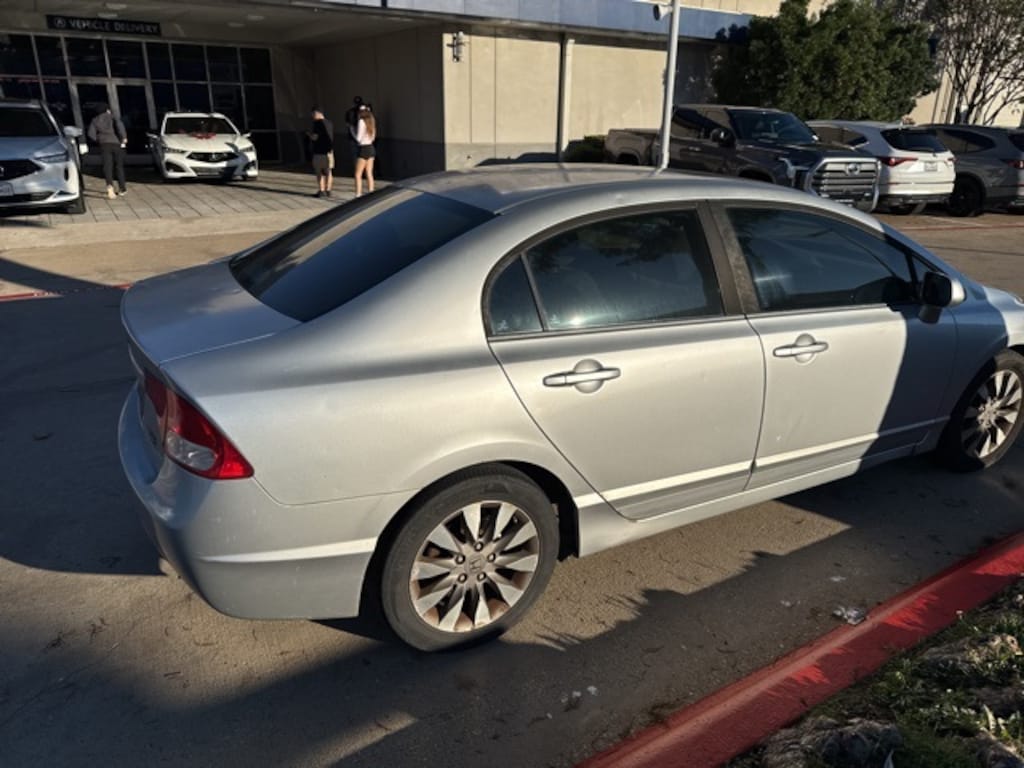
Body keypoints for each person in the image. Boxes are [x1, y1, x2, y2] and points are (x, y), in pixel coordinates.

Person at [87, 103, 127, 199]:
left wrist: (98, 139)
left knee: (107, 167)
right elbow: (120, 127)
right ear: (107, 110)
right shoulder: (113, 117)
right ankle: (122, 188)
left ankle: (110, 186)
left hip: (104, 144)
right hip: (116, 143)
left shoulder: (95, 120)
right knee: (119, 166)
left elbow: (90, 134)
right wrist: (124, 137)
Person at [306, 107, 334, 198]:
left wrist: (309, 135)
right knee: (328, 171)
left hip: (319, 151)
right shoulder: (329, 123)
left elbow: (315, 137)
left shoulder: (317, 124)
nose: (312, 117)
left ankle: (321, 190)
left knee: (319, 172)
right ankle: (328, 189)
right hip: (329, 151)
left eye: (313, 114)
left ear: (317, 113)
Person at [350, 104, 376, 197]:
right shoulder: (371, 121)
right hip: (371, 148)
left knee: (358, 174)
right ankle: (371, 192)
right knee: (369, 173)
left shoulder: (361, 121)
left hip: (363, 149)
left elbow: (359, 138)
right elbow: (373, 138)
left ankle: (358, 195)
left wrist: (352, 131)